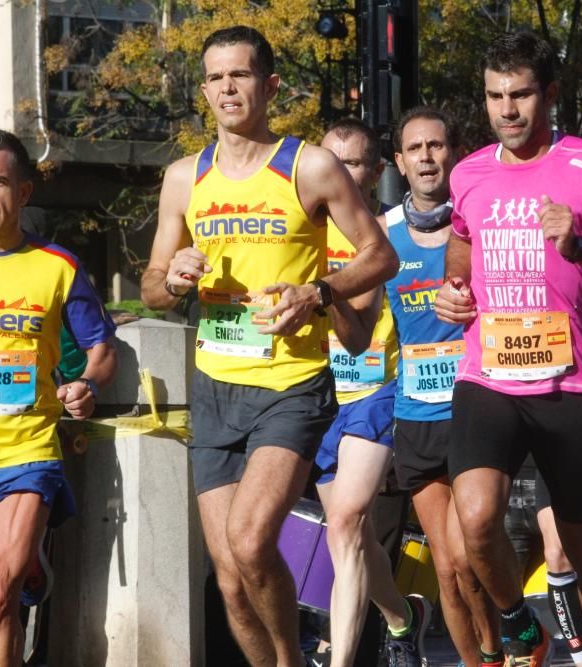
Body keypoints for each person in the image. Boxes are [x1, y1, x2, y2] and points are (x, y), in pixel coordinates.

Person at [140, 25, 396, 667]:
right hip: (215, 387)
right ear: (204, 89)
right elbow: (150, 285)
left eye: (242, 74)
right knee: (229, 577)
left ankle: (290, 660)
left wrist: (319, 292)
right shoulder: (183, 177)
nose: (228, 87)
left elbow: (380, 254)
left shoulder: (308, 164)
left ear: (270, 85)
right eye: (217, 77)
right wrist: (170, 280)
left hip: (289, 385)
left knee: (252, 542)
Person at [435, 31, 582, 667]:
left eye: (521, 94)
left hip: (569, 383)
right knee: (475, 520)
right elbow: (462, 242)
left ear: (549, 95)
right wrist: (454, 290)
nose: (507, 110)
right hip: (488, 376)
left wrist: (580, 245)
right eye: (495, 96)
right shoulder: (470, 171)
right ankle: (513, 620)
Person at [0, 129, 117, 666]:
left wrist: (87, 384)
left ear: (24, 192)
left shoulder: (58, 266)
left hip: (24, 455)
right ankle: (30, 565)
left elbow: (101, 347)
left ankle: (14, 567)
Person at [384, 107, 502, 667]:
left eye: (436, 145)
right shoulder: (379, 239)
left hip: (475, 405)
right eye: (415, 149)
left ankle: (500, 648)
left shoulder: (480, 223)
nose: (427, 157)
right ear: (400, 163)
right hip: (414, 414)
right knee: (449, 569)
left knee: (468, 553)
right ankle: (479, 660)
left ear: (452, 153)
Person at [314, 117, 429, 667]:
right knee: (349, 542)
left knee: (345, 523)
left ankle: (341, 660)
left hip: (379, 391)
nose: (339, 170)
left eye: (353, 162)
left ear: (376, 171)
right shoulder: (299, 231)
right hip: (318, 396)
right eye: (330, 159)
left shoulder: (386, 234)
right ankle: (402, 617)